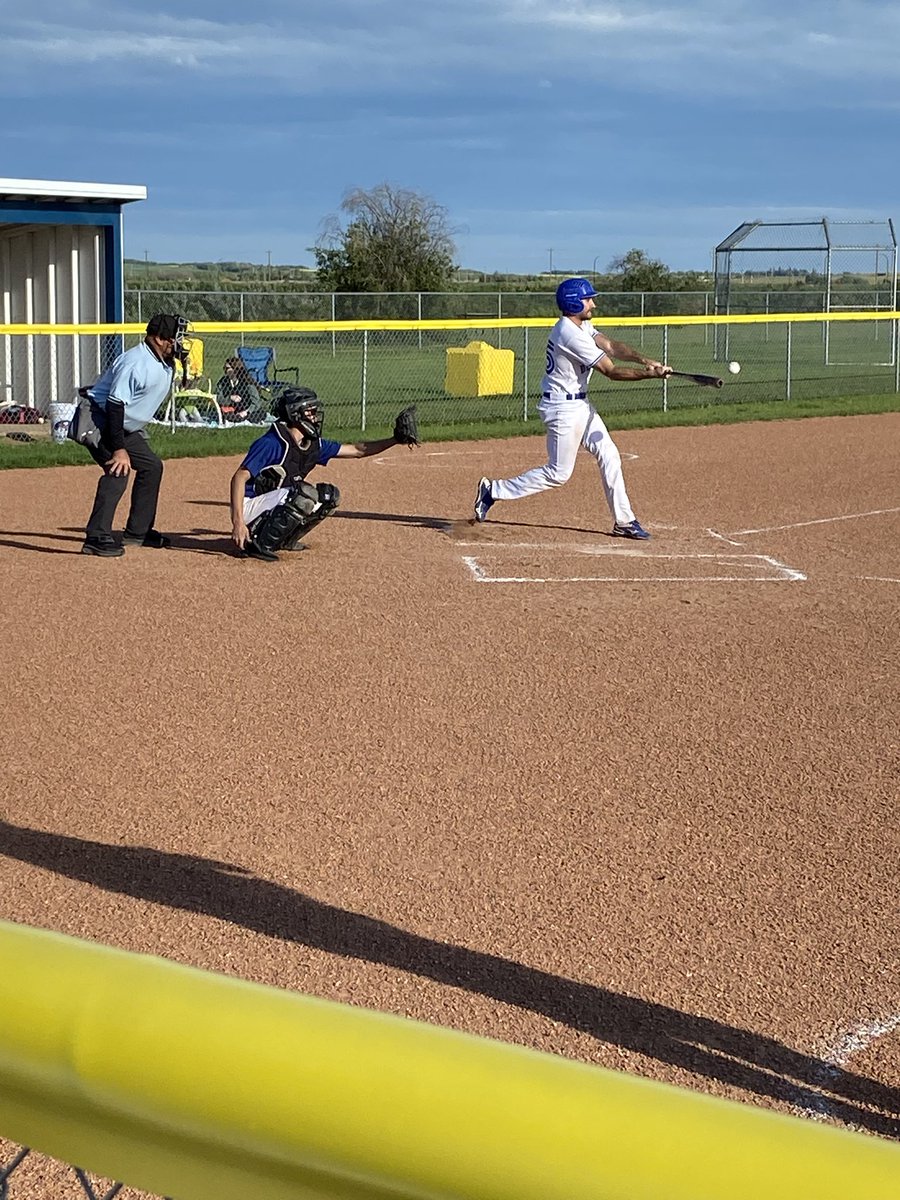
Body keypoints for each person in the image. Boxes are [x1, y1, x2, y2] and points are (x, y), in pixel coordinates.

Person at [473, 277, 670, 539]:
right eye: (589, 299)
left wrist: (644, 360)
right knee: (558, 473)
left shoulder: (581, 325)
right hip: (562, 408)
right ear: (574, 302)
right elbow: (610, 371)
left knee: (609, 454)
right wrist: (649, 376)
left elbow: (611, 346)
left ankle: (624, 521)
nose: (594, 304)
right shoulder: (568, 333)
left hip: (580, 404)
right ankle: (493, 491)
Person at [230, 387, 419, 561]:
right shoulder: (272, 442)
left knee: (329, 496)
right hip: (250, 508)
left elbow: (356, 450)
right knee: (304, 494)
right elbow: (239, 477)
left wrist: (395, 440)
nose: (315, 417)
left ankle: (285, 540)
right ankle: (258, 544)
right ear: (295, 414)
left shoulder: (312, 444)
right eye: (310, 412)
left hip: (275, 503)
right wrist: (238, 523)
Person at [78, 313, 192, 557]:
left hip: (123, 424)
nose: (179, 343)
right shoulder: (136, 362)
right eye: (175, 338)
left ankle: (137, 533)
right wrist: (119, 449)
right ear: (159, 339)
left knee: (152, 466)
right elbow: (115, 405)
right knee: (118, 469)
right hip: (101, 418)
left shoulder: (162, 359)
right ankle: (96, 537)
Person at [215, 356, 267, 423]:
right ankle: (236, 418)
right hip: (232, 409)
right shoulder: (223, 381)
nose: (224, 370)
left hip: (248, 409)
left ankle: (241, 418)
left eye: (227, 368)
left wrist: (246, 412)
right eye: (224, 368)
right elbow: (218, 398)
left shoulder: (247, 382)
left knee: (258, 414)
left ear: (235, 369)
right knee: (227, 415)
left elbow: (256, 402)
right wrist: (230, 398)